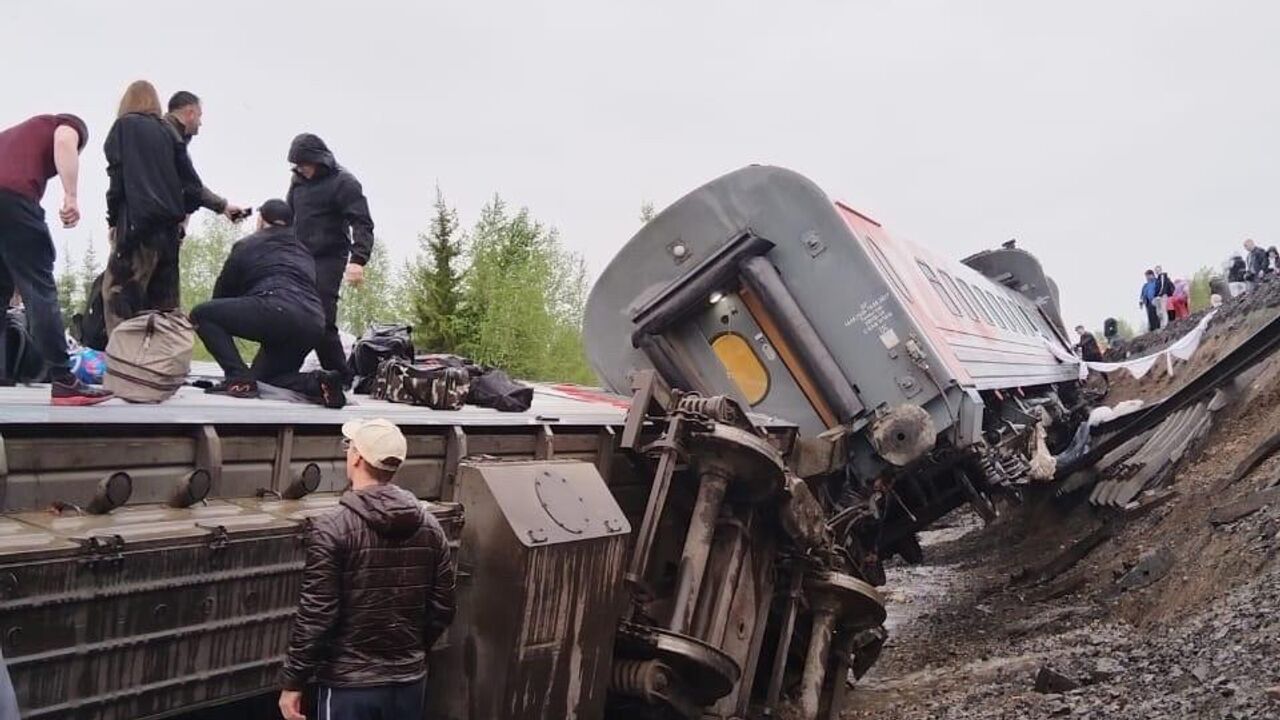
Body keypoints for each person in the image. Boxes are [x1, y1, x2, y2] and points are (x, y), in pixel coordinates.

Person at [279, 418, 455, 720]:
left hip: (348, 686)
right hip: (409, 682)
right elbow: (443, 606)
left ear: (357, 457)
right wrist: (409, 650)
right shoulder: (431, 526)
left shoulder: (332, 528)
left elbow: (317, 616)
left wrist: (293, 683)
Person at [0, 112, 113, 404]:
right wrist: (71, 195)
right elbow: (64, 139)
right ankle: (64, 381)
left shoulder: (11, 138)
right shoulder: (64, 125)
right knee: (39, 289)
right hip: (13, 200)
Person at [190, 200, 346, 407]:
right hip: (313, 323)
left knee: (202, 314)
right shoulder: (304, 252)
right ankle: (320, 382)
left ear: (261, 220)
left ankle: (237, 378)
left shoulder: (247, 244)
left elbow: (221, 296)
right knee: (266, 381)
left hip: (275, 308)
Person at [103, 80, 201, 333]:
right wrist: (182, 220)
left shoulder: (123, 128)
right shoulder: (169, 132)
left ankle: (123, 362)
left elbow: (117, 181)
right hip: (168, 231)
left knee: (119, 296)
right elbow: (191, 184)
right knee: (165, 306)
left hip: (138, 227)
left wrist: (113, 221)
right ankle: (166, 363)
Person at [286, 133, 375, 383]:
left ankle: (341, 375)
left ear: (318, 160)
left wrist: (358, 259)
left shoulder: (344, 182)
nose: (300, 169)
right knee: (293, 314)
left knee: (322, 318)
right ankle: (283, 368)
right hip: (300, 255)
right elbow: (289, 212)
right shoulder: (298, 182)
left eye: (304, 164)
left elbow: (362, 222)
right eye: (297, 166)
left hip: (329, 257)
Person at [164, 91, 246, 222]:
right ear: (190, 113)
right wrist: (221, 205)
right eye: (199, 116)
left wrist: (223, 206)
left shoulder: (169, 137)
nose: (200, 123)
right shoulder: (172, 140)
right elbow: (191, 185)